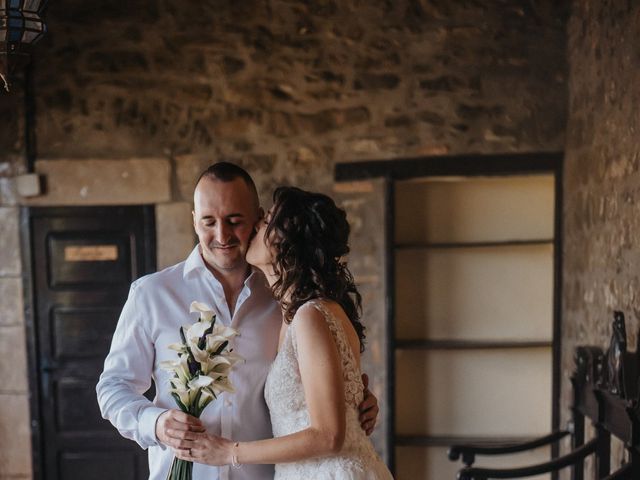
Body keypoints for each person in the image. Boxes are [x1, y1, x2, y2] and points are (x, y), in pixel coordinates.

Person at [96, 163, 379, 480]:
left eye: (234, 221)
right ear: (194, 220)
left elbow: (320, 404)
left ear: (258, 220)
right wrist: (156, 423)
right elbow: (113, 387)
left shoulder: (287, 302)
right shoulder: (151, 294)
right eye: (208, 222)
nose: (222, 235)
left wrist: (356, 405)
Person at [169, 186, 393, 479]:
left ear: (287, 245)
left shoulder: (311, 315)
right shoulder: (296, 313)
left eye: (267, 222)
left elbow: (329, 435)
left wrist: (229, 452)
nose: (257, 226)